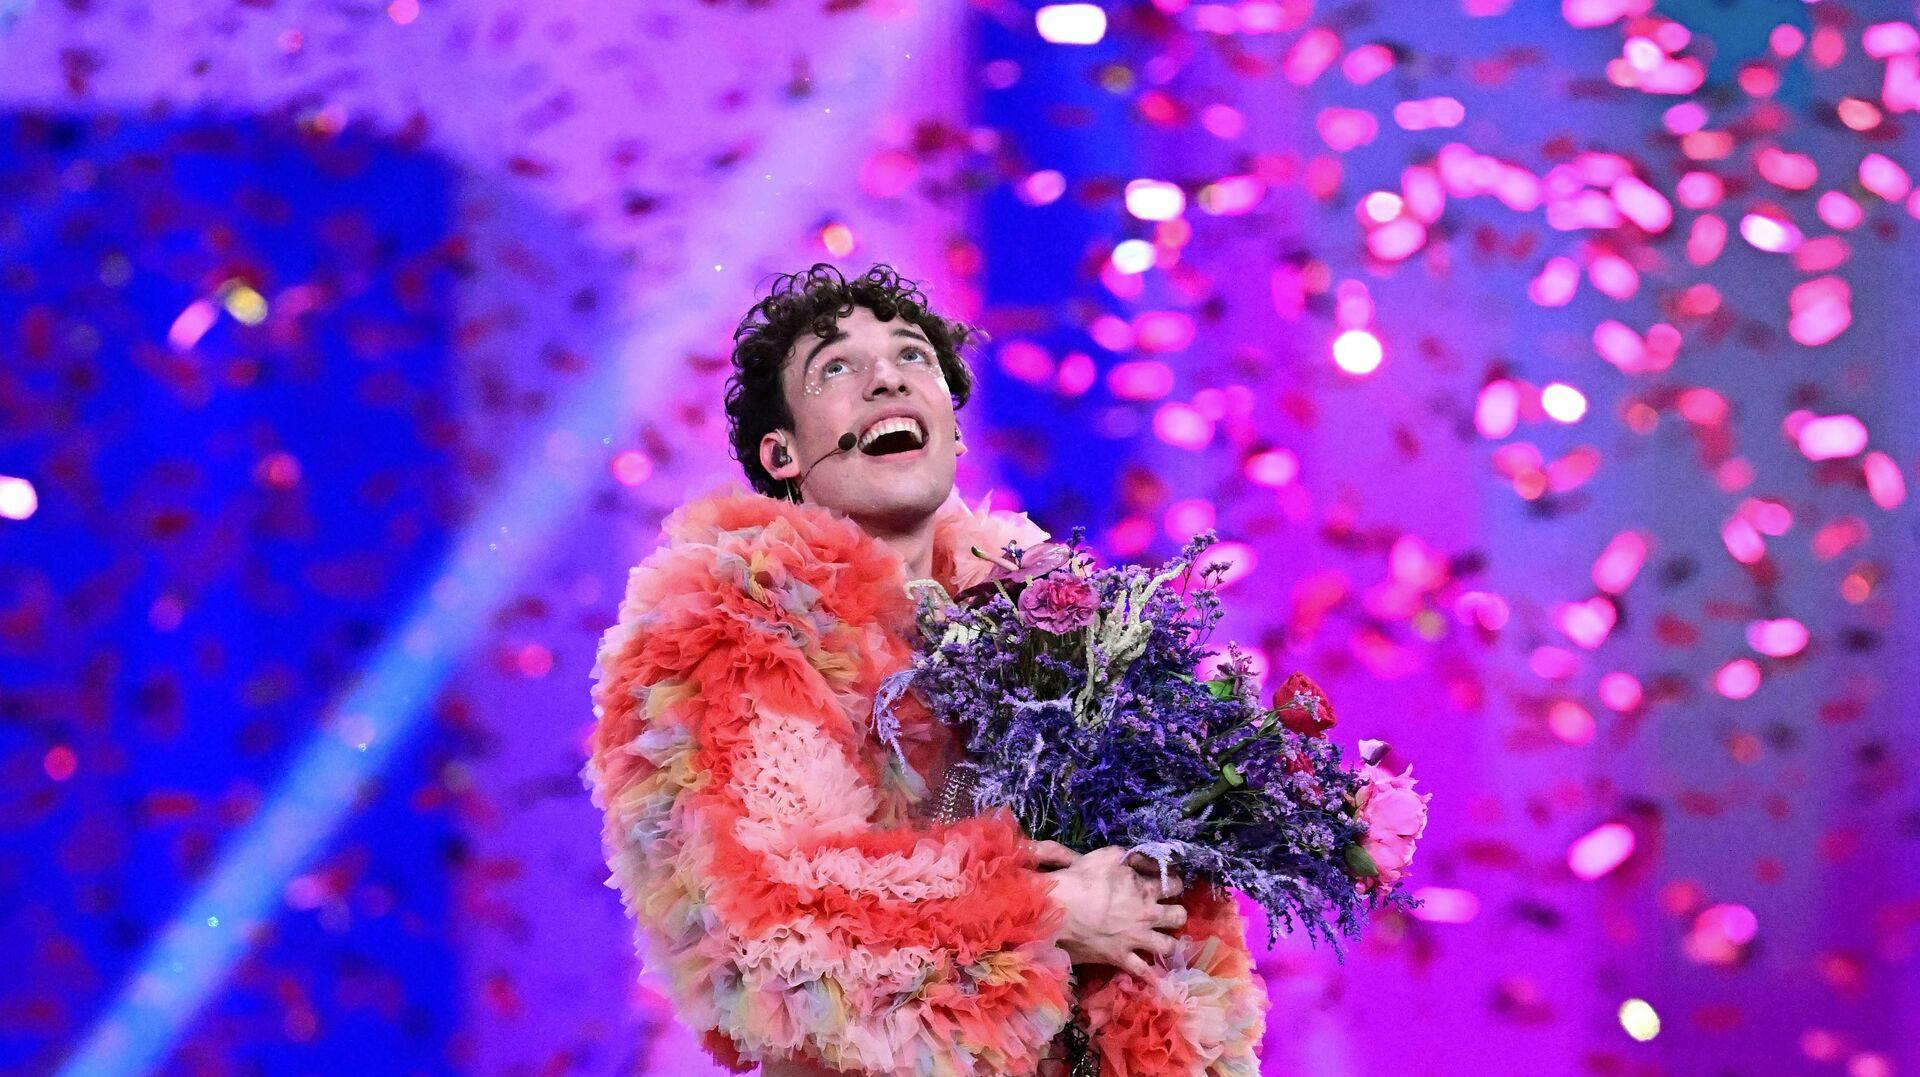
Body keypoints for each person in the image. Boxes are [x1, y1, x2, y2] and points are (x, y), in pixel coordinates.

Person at [586, 264, 1265, 1076]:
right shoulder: (733, 622)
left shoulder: (1053, 619)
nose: (886, 377)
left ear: (953, 425)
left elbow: (1161, 899)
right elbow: (766, 919)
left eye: (913, 358)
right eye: (835, 367)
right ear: (784, 452)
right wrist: (1041, 909)